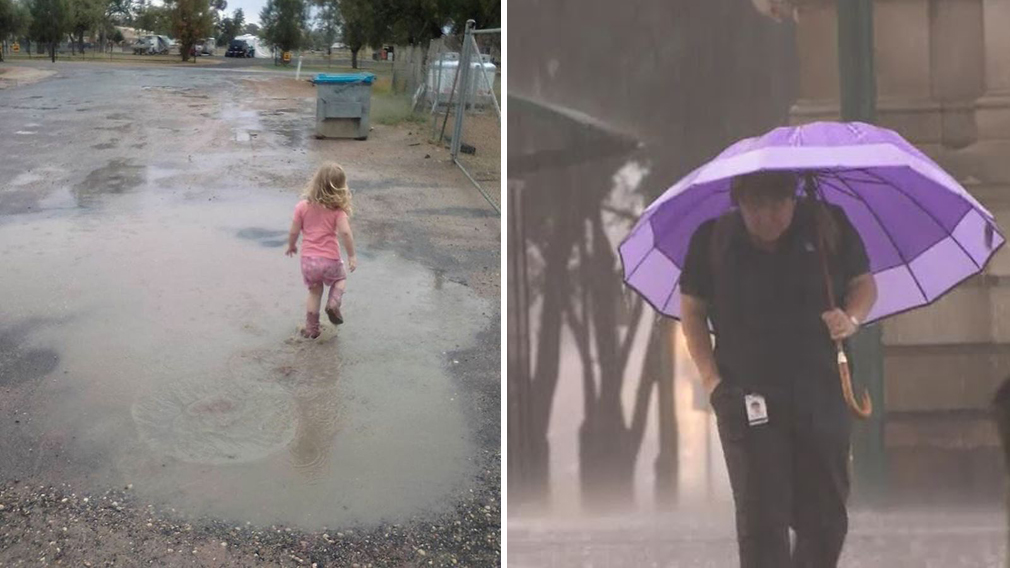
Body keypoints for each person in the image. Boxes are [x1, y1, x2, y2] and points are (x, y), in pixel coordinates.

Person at [679, 170, 877, 568]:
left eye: (777, 205)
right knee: (761, 521)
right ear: (739, 203)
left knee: (825, 519)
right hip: (747, 397)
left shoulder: (827, 227)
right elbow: (692, 313)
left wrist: (850, 318)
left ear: (794, 199)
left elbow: (864, 284)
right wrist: (713, 381)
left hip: (821, 392)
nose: (767, 217)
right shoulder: (713, 240)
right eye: (755, 207)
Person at [286, 163, 358, 339]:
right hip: (330, 260)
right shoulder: (337, 211)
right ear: (340, 188)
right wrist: (352, 255)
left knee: (314, 292)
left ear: (315, 182)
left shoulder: (302, 207)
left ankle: (312, 329)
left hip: (308, 262)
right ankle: (333, 303)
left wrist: (292, 245)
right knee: (340, 279)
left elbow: (294, 230)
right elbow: (346, 232)